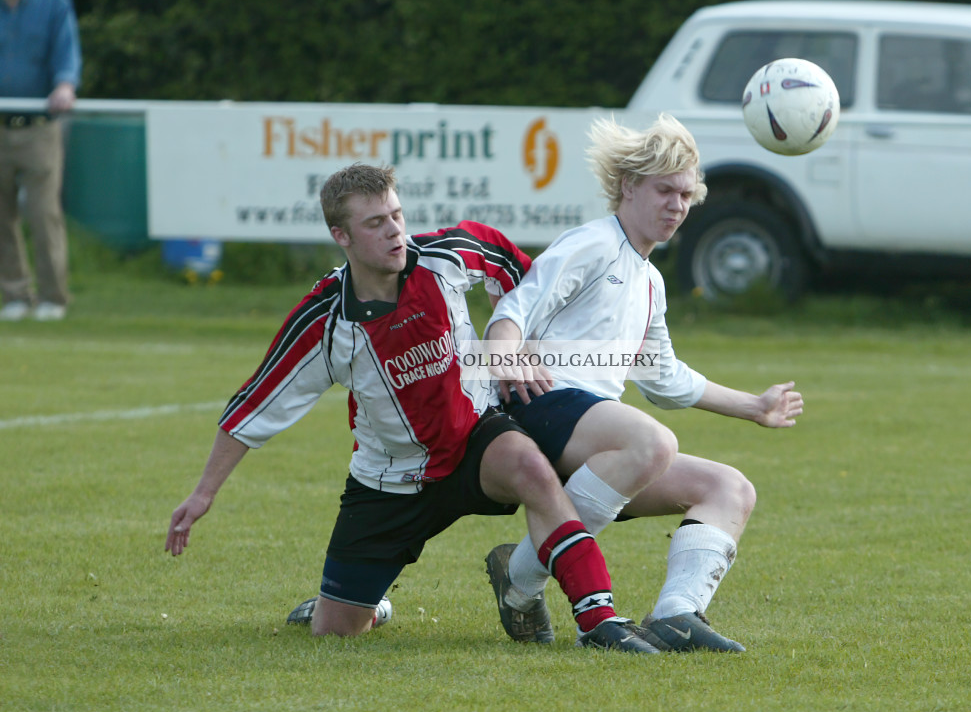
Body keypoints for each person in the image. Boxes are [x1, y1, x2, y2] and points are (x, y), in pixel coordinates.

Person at [165, 163, 659, 653]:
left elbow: (522, 277)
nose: (394, 232)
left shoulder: (444, 256)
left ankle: (599, 621)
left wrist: (521, 340)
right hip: (388, 481)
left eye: (396, 216)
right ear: (341, 236)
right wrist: (203, 493)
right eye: (375, 224)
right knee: (335, 633)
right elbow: (257, 403)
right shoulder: (324, 322)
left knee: (531, 466)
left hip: (475, 440)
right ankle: (364, 605)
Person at [482, 114, 804, 652]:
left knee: (730, 489)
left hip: (602, 438)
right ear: (629, 186)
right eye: (664, 190)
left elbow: (665, 379)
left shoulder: (651, 279)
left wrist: (755, 406)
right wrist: (507, 354)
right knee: (650, 442)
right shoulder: (591, 243)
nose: (677, 205)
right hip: (540, 406)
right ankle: (523, 577)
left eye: (685, 194)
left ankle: (677, 616)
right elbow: (514, 309)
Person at [0, 0, 81, 321]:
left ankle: (53, 298)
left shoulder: (54, 4)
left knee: (43, 213)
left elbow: (67, 53)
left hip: (38, 127)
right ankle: (15, 295)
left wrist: (65, 84)